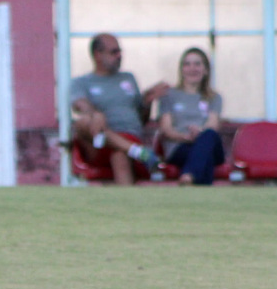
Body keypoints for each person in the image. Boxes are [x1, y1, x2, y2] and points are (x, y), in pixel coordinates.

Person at [71, 33, 169, 185]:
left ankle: (132, 152)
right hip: (99, 143)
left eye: (120, 52)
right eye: (113, 52)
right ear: (98, 54)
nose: (119, 56)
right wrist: (96, 115)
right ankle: (136, 151)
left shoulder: (128, 78)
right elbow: (80, 105)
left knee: (120, 154)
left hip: (130, 137)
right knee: (83, 122)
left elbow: (141, 119)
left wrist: (147, 102)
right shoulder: (81, 82)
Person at [158, 47, 224, 185]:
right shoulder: (169, 95)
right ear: (181, 70)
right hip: (179, 147)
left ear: (206, 70)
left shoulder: (214, 97)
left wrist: (199, 133)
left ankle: (188, 175)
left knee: (209, 135)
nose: (192, 68)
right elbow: (166, 128)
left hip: (208, 141)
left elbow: (213, 124)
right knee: (206, 158)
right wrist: (185, 137)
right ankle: (196, 186)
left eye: (197, 64)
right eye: (187, 64)